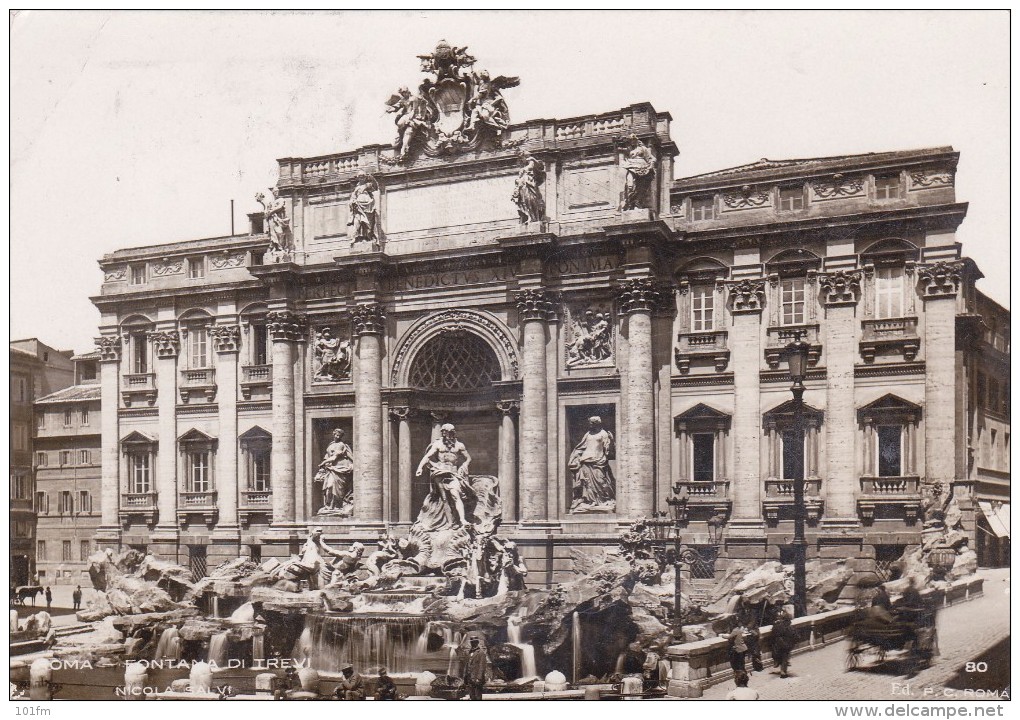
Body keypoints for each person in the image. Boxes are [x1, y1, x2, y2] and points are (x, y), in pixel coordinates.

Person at [415, 424, 472, 530]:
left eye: (450, 433)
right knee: (444, 498)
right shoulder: (438, 444)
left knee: (455, 495)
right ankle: (450, 522)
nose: (447, 435)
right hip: (439, 472)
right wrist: (420, 468)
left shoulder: (459, 445)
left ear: (453, 433)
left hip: (453, 473)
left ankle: (462, 520)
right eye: (445, 432)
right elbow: (427, 456)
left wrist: (464, 465)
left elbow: (468, 458)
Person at [568, 416, 616, 512]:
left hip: (599, 461)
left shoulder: (604, 434)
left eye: (591, 423)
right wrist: (575, 456)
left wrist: (611, 440)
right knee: (587, 483)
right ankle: (590, 501)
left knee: (600, 481)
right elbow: (581, 446)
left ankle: (602, 501)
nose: (589, 425)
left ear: (596, 423)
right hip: (585, 460)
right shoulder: (588, 434)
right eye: (589, 423)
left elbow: (608, 449)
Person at [314, 429, 354, 514]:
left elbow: (334, 457)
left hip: (339, 469)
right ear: (333, 434)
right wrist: (324, 465)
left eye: (339, 436)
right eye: (336, 435)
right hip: (330, 469)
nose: (337, 437)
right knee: (329, 486)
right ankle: (328, 506)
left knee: (336, 487)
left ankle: (337, 506)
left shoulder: (341, 445)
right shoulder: (331, 444)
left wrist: (324, 462)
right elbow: (327, 455)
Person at [620, 134, 657, 211]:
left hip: (642, 168)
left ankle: (636, 204)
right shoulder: (628, 149)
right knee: (630, 185)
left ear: (636, 140)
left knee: (640, 188)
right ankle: (629, 202)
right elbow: (617, 150)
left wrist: (651, 165)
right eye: (630, 140)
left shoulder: (643, 148)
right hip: (631, 167)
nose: (632, 142)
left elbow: (652, 158)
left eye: (633, 140)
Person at [511, 153, 545, 224]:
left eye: (521, 158)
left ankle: (534, 217)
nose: (520, 160)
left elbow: (539, 166)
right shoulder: (523, 168)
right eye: (519, 159)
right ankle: (530, 217)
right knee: (524, 201)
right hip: (522, 186)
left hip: (529, 185)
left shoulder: (531, 163)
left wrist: (532, 159)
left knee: (530, 199)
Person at [347, 173, 379, 244]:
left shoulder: (368, 185)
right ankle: (355, 237)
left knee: (367, 222)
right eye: (360, 177)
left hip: (368, 205)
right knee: (357, 221)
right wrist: (352, 202)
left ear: (365, 178)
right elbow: (353, 197)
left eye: (363, 177)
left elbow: (376, 187)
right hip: (358, 206)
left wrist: (371, 178)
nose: (361, 179)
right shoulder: (356, 188)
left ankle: (367, 237)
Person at [769, 608, 796, 678]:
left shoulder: (777, 625)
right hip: (787, 644)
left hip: (779, 644)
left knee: (782, 657)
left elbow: (773, 635)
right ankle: (783, 671)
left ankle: (781, 668)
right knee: (785, 657)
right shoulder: (789, 626)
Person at [464, 637, 489, 701]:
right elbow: (467, 664)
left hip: (476, 678)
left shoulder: (481, 653)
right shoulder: (469, 652)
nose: (472, 643)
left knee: (478, 696)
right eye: (471, 642)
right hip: (469, 677)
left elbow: (482, 666)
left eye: (474, 642)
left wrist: (479, 678)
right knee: (471, 695)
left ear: (477, 642)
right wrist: (465, 675)